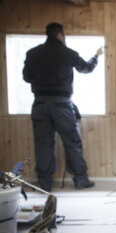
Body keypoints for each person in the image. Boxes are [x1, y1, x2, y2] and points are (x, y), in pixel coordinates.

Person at [23, 22, 104, 192]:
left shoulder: (33, 54)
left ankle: (45, 184)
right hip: (62, 105)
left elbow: (27, 78)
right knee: (72, 142)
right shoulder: (68, 53)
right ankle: (80, 180)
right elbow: (86, 68)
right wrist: (96, 56)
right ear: (60, 35)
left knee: (43, 144)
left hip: (40, 104)